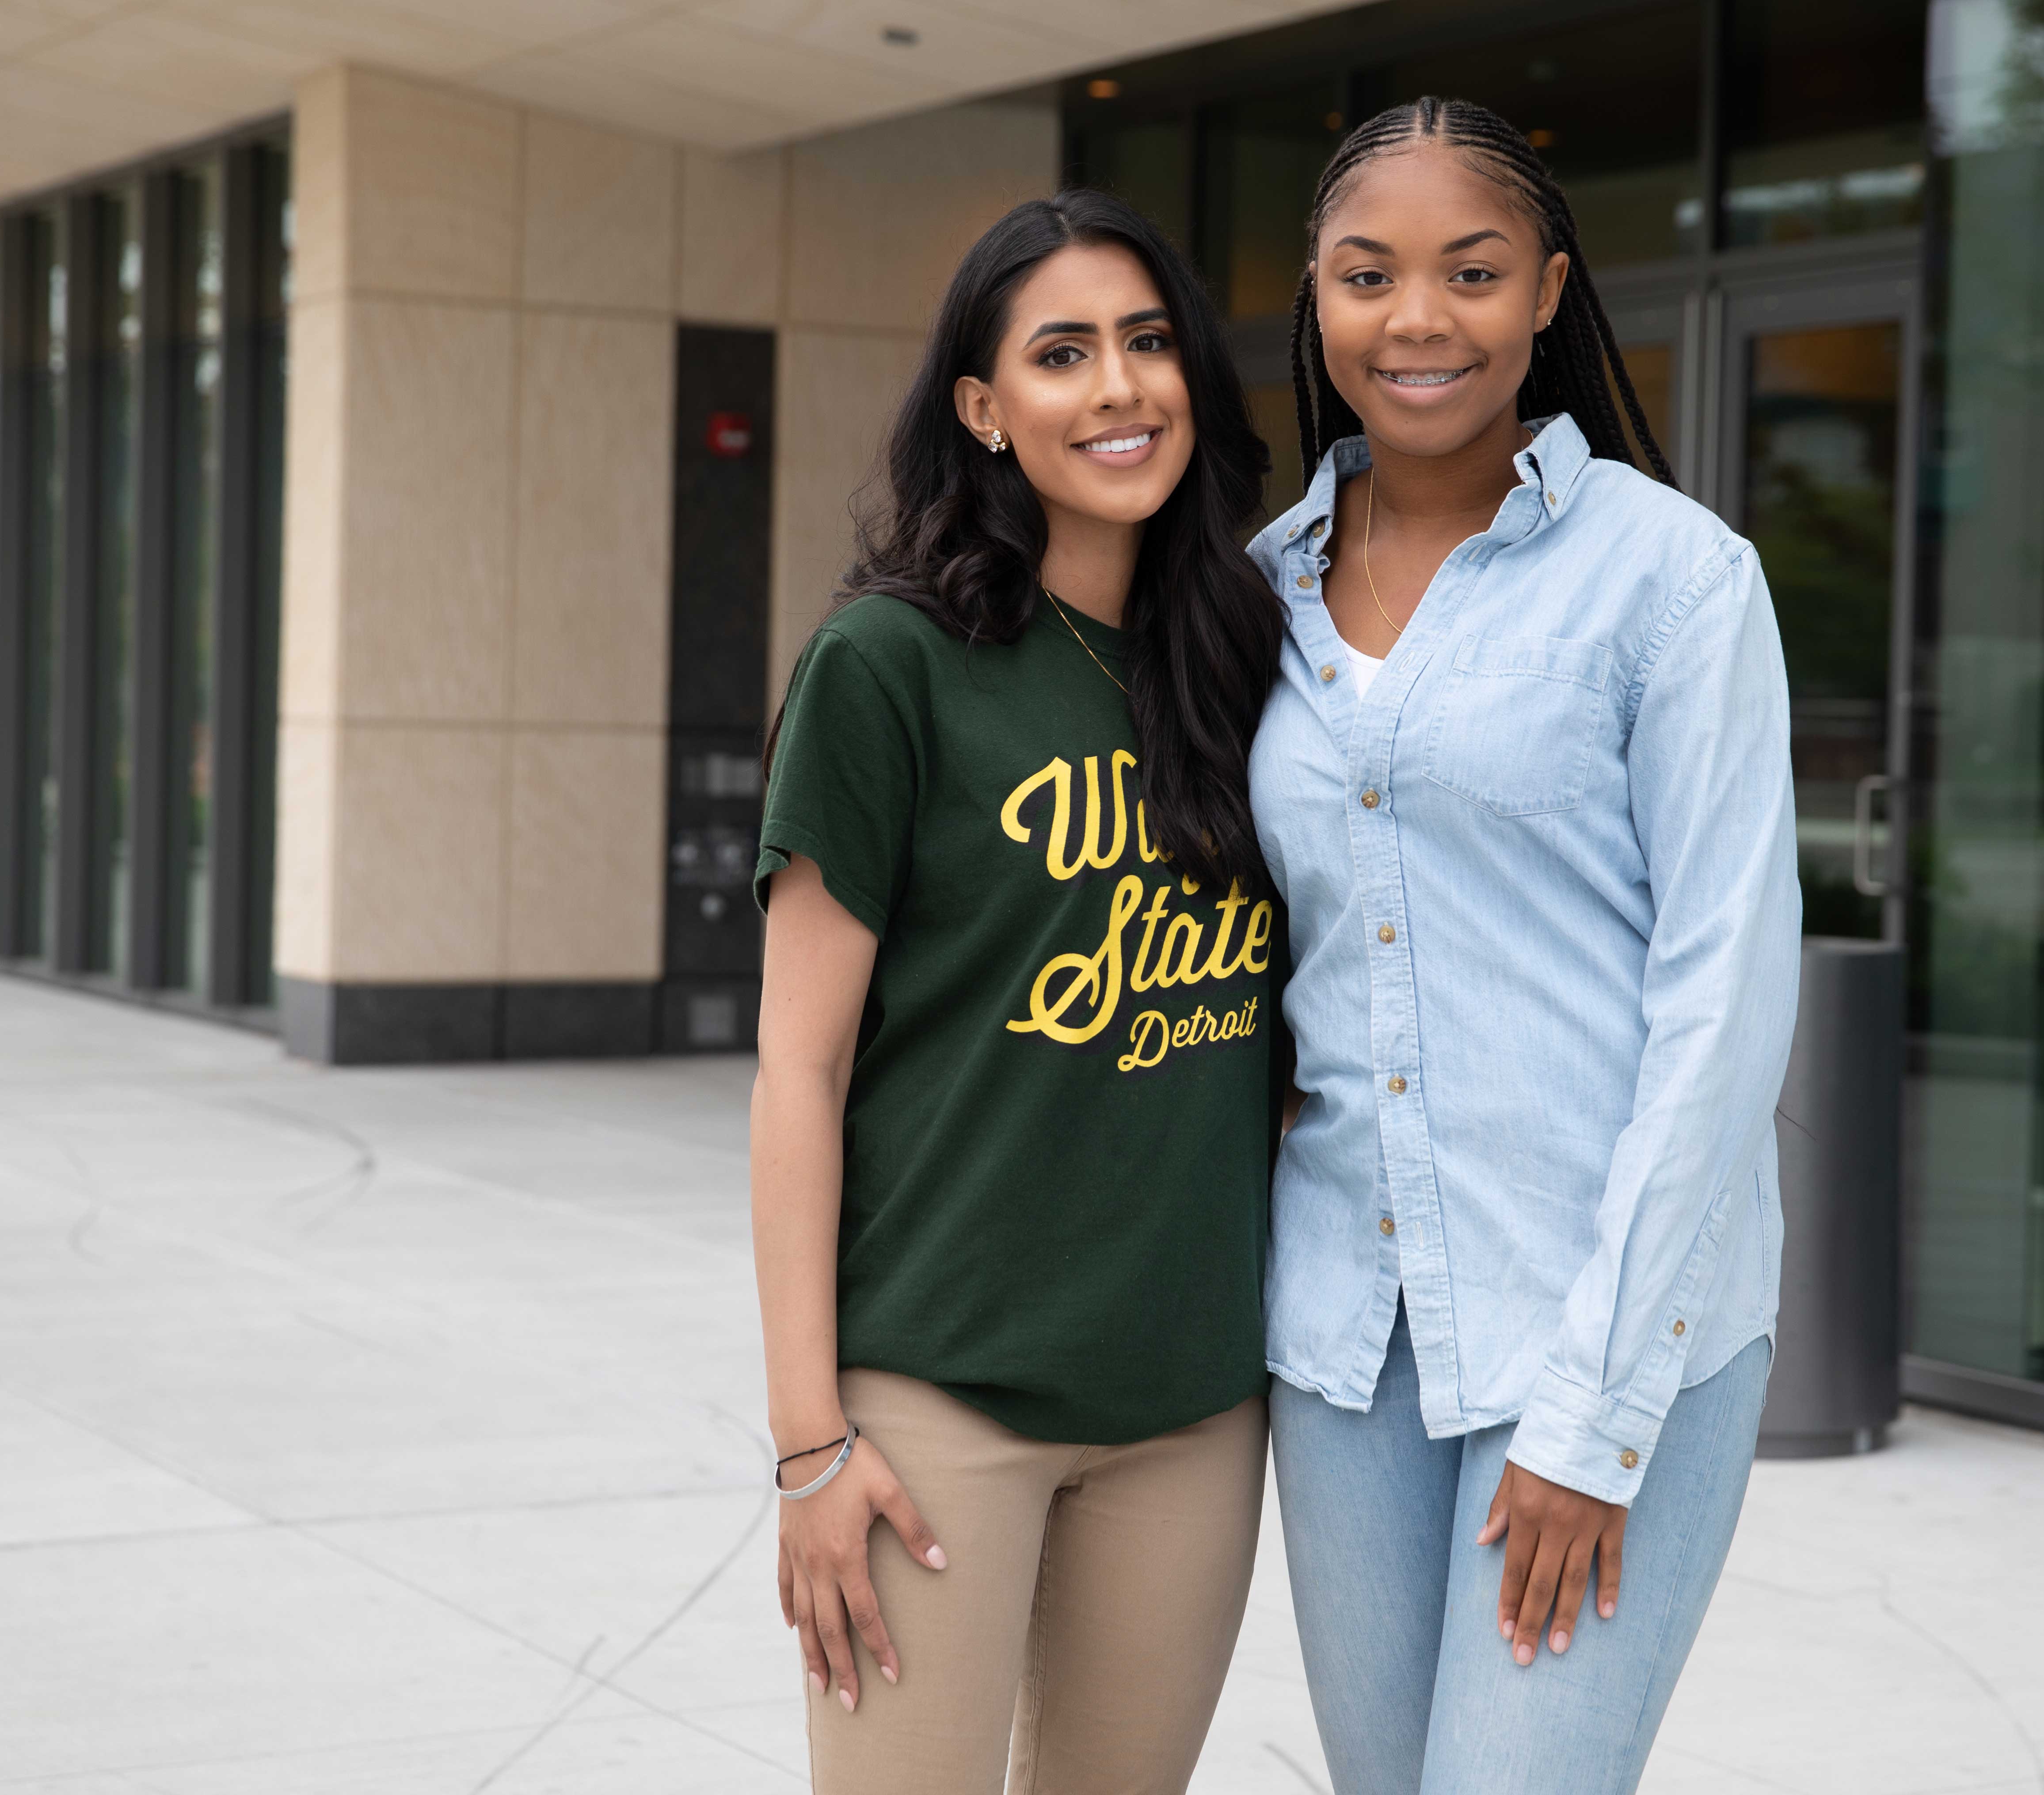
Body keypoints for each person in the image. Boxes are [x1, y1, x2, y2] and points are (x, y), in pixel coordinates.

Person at [1247, 96, 1800, 1794]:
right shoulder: (1250, 591)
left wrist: (1592, 1418)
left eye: (1470, 272)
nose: (1418, 320)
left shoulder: (1675, 582)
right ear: (1319, 303)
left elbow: (1723, 1006)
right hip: (1347, 1339)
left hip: (1607, 1318)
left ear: (1548, 291)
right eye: (1369, 276)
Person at [749, 189, 1288, 1795]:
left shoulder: (1255, 659)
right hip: (939, 1398)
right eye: (1062, 355)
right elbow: (799, 1074)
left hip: (1193, 1403)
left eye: (1147, 343)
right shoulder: (888, 668)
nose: (1119, 388)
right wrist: (806, 1446)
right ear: (984, 408)